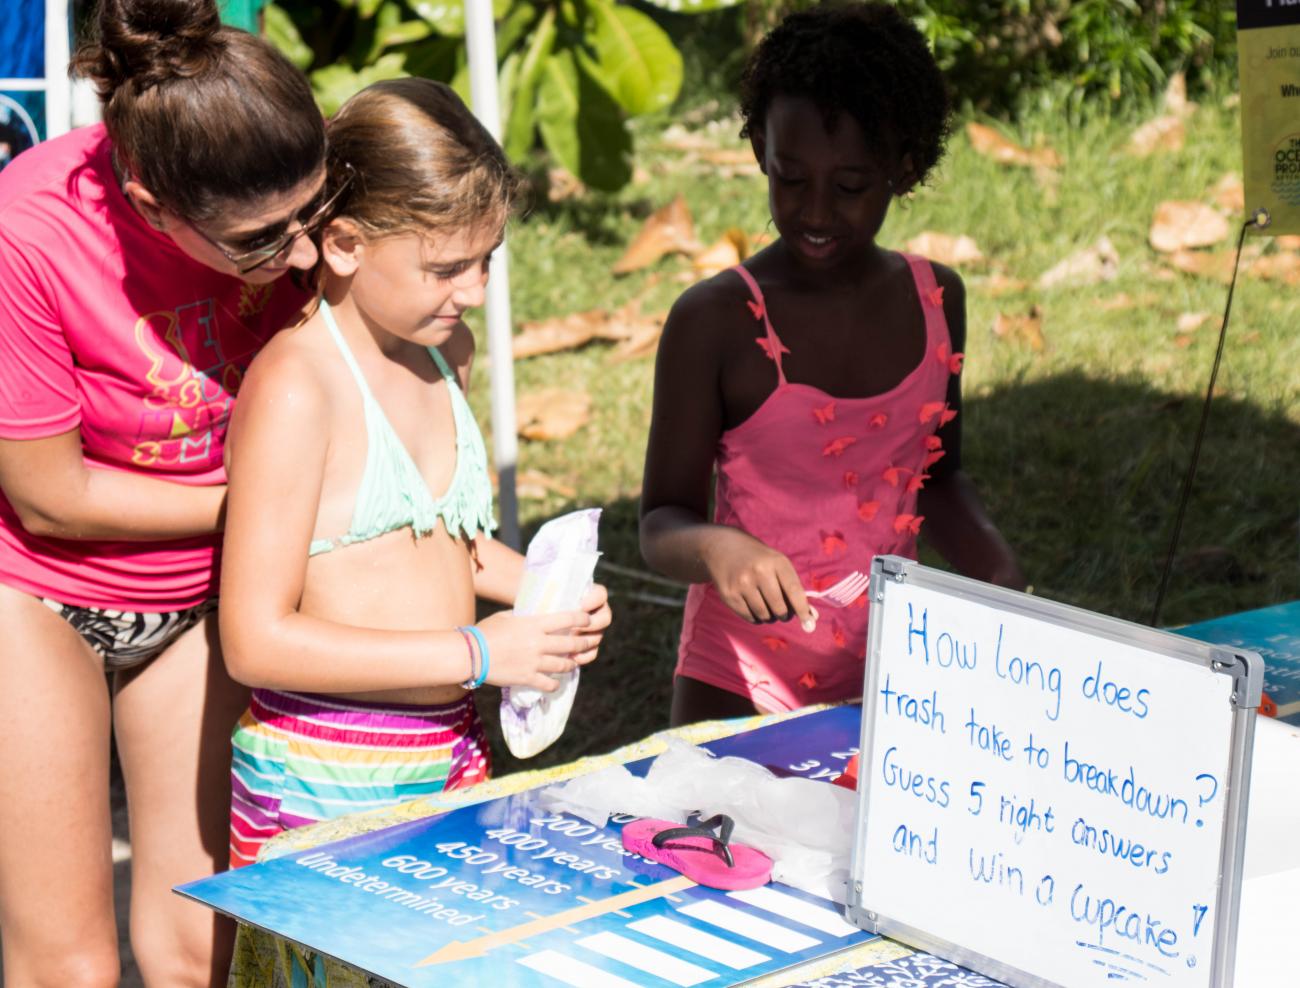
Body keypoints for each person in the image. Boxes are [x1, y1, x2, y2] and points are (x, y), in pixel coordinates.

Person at [0, 0, 329, 982]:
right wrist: (267, 507)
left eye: (313, 214)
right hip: (35, 594)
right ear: (148, 204)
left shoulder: (285, 185)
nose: (303, 257)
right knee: (68, 961)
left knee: (198, 947)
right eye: (260, 241)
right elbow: (49, 494)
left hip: (195, 599)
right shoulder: (30, 231)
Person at [219, 77, 611, 867]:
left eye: (487, 260)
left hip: (449, 750)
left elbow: (432, 540)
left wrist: (545, 594)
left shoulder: (444, 354)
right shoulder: (300, 387)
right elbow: (253, 641)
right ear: (346, 245)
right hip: (323, 773)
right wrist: (477, 653)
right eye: (446, 268)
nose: (475, 291)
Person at [640, 2, 1025, 727]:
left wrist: (995, 567)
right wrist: (718, 546)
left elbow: (937, 476)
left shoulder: (937, 298)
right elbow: (661, 521)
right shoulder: (716, 320)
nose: (816, 211)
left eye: (850, 187)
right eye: (790, 178)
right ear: (759, 149)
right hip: (739, 670)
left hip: (891, 665)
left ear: (902, 169)